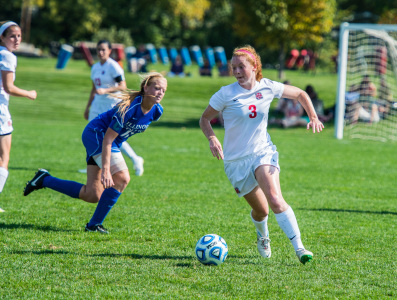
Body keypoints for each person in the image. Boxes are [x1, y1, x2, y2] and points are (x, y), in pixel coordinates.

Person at [199, 45, 324, 264]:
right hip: (235, 162)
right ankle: (263, 236)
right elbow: (204, 119)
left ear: (254, 66)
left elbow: (301, 94)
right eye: (234, 67)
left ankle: (300, 249)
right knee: (261, 211)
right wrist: (212, 138)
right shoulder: (225, 94)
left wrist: (313, 116)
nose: (237, 71)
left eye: (241, 67)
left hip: (262, 152)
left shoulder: (267, 87)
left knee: (275, 199)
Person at [23, 73, 167, 233]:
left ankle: (44, 180)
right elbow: (107, 139)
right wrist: (106, 170)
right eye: (157, 88)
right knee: (122, 178)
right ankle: (93, 225)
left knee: (92, 194)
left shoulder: (156, 111)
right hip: (97, 135)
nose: (160, 92)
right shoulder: (129, 108)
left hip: (108, 142)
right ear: (145, 88)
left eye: (163, 90)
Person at [83, 40, 144, 176]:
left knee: (111, 136)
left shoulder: (113, 66)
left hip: (110, 105)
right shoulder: (95, 67)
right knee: (91, 133)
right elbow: (94, 88)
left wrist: (106, 91)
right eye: (98, 49)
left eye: (103, 49)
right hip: (97, 104)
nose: (100, 52)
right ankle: (92, 166)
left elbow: (122, 85)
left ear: (110, 51)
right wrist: (88, 107)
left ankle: (135, 158)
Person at [0, 21, 37, 212]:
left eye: (19, 36)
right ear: (2, 38)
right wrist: (29, 93)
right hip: (0, 113)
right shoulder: (7, 56)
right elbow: (8, 87)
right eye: (12, 36)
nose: (17, 40)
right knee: (3, 158)